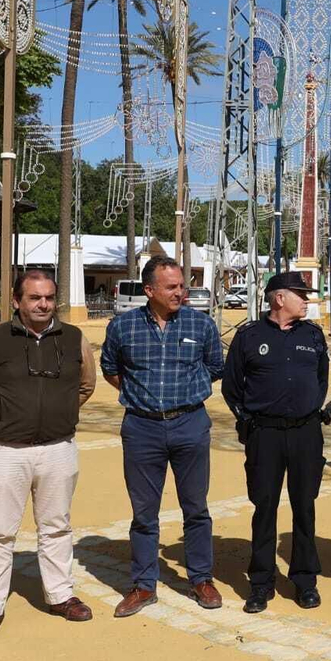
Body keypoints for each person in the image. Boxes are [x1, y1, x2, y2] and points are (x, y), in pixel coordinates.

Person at [0, 271, 96, 646]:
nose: (43, 304)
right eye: (34, 298)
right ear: (17, 301)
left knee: (57, 527)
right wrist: (3, 418)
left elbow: (86, 385)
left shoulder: (74, 339)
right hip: (5, 452)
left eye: (49, 297)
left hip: (58, 450)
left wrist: (58, 413)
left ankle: (61, 596)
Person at [100, 256, 226, 616]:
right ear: (149, 290)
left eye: (181, 285)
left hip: (190, 425)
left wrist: (185, 393)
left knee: (196, 508)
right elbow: (110, 368)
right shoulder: (122, 327)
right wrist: (141, 395)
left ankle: (201, 578)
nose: (180, 292)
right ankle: (143, 585)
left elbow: (215, 367)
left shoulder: (201, 325)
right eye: (171, 287)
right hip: (141, 429)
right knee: (144, 513)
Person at [221, 271, 330, 614]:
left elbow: (321, 380)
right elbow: (231, 387)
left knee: (305, 506)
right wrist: (249, 420)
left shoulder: (313, 336)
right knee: (264, 507)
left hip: (305, 433)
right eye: (301, 294)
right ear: (279, 298)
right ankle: (261, 582)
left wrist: (307, 407)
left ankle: (305, 580)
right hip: (264, 435)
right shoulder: (249, 336)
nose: (306, 299)